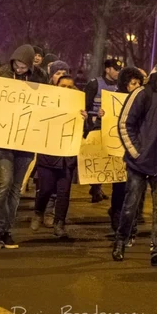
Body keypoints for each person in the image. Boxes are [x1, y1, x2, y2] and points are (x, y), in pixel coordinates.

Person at [112, 60, 157, 268]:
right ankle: (121, 241)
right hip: (139, 162)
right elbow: (125, 124)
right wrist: (136, 152)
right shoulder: (142, 94)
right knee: (131, 205)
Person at [0, 44, 46, 250]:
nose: (19, 70)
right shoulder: (1, 74)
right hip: (3, 137)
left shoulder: (39, 78)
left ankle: (6, 230)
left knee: (16, 188)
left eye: (22, 67)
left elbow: (53, 102)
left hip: (27, 139)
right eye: (16, 66)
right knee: (4, 182)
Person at [29, 74, 85, 239]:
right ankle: (38, 212)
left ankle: (59, 223)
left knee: (63, 192)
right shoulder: (47, 104)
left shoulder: (78, 106)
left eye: (70, 87)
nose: (66, 89)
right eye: (63, 86)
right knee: (45, 189)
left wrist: (84, 119)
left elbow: (85, 131)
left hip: (67, 158)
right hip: (48, 155)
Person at [107, 66, 146, 233]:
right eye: (133, 83)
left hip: (136, 150)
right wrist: (103, 114)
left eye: (139, 83)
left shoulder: (144, 100)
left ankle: (131, 220)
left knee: (135, 188)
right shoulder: (115, 99)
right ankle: (116, 214)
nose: (136, 86)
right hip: (118, 150)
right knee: (120, 187)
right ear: (125, 84)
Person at [84, 58, 122, 202]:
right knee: (96, 158)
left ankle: (97, 188)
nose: (118, 72)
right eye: (115, 69)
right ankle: (95, 188)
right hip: (96, 126)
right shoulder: (95, 84)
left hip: (111, 128)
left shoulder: (120, 86)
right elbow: (86, 105)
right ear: (107, 69)